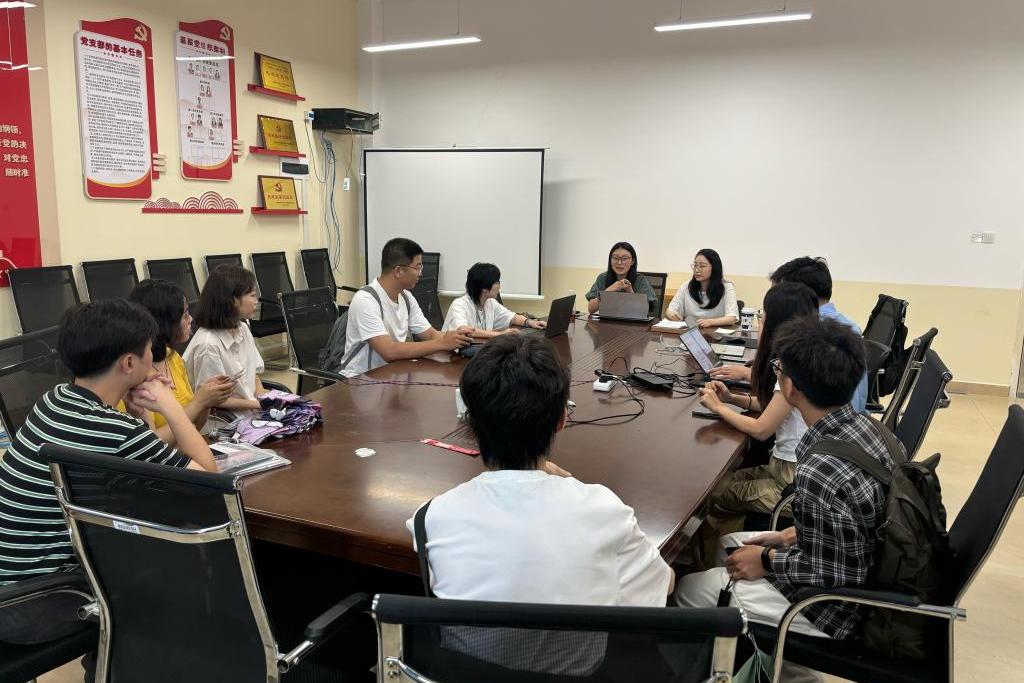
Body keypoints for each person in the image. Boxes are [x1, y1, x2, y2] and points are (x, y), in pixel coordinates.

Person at [407, 334, 673, 673]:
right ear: (561, 419)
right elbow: (664, 585)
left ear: (470, 421)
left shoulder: (430, 518)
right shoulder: (603, 511)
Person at [0, 300, 216, 645]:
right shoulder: (114, 431)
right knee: (184, 560)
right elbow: (210, 483)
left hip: (12, 586)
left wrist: (137, 416)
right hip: (39, 602)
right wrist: (170, 406)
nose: (154, 361)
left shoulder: (53, 399)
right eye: (150, 351)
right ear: (129, 363)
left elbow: (131, 455)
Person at [677, 316, 899, 649]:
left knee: (688, 590)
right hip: (864, 565)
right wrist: (786, 536)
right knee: (728, 546)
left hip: (833, 610)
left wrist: (767, 561)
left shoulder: (820, 469)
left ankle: (766, 658)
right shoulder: (870, 428)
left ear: (791, 387)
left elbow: (834, 575)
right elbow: (850, 523)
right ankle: (740, 636)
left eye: (778, 368)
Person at [698, 282, 819, 516]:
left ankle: (730, 536)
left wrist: (718, 407)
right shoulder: (805, 354)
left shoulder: (792, 368)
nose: (758, 322)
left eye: (762, 316)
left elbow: (761, 430)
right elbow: (773, 407)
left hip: (793, 481)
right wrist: (731, 398)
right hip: (789, 468)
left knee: (713, 493)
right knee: (721, 482)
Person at [709, 256, 868, 414]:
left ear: (797, 294)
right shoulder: (843, 325)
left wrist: (749, 373)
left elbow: (797, 391)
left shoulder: (816, 335)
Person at [339, 238, 472, 377]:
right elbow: (389, 351)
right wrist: (442, 343)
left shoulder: (406, 297)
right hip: (361, 379)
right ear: (398, 271)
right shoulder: (366, 300)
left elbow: (430, 334)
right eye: (417, 268)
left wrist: (457, 338)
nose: (420, 273)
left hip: (391, 374)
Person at [120, 279, 234, 434]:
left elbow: (195, 427)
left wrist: (207, 401)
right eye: (185, 315)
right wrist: (199, 402)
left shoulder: (172, 357)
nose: (191, 320)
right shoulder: (133, 374)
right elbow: (151, 443)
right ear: (165, 322)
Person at [183, 265, 267, 412]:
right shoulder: (208, 345)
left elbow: (252, 374)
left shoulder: (242, 328)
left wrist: (265, 400)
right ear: (234, 300)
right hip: (225, 419)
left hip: (251, 411)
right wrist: (258, 405)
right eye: (252, 295)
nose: (256, 300)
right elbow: (213, 400)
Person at [442, 262, 546, 338]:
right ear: (484, 289)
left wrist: (530, 322)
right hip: (450, 355)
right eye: (497, 282)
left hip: (478, 348)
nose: (500, 286)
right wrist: (500, 334)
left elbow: (512, 317)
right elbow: (464, 331)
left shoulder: (490, 302)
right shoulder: (459, 305)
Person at [665, 248, 739, 328]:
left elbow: (732, 318)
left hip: (715, 333)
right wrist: (671, 314)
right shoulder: (686, 286)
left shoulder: (727, 288)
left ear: (715, 268)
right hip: (691, 332)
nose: (697, 270)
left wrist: (710, 322)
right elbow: (670, 310)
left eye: (702, 266)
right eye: (695, 265)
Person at [585, 242, 658, 315]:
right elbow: (591, 309)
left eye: (624, 258)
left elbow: (643, 312)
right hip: (607, 320)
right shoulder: (602, 278)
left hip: (632, 321)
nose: (619, 262)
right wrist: (607, 291)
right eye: (615, 258)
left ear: (632, 261)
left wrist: (629, 291)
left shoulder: (641, 280)